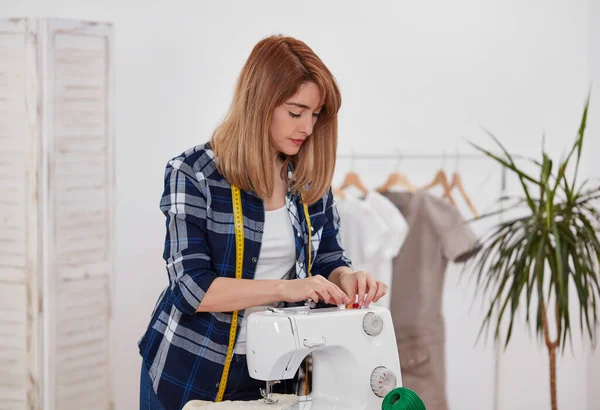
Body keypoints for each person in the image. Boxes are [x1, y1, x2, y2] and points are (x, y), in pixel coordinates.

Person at [137, 34, 388, 410]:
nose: (306, 126)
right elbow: (191, 288)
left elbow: (328, 258)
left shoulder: (308, 178)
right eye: (295, 111)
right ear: (260, 104)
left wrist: (345, 278)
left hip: (282, 372)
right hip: (191, 371)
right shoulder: (192, 173)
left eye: (315, 114)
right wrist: (285, 289)